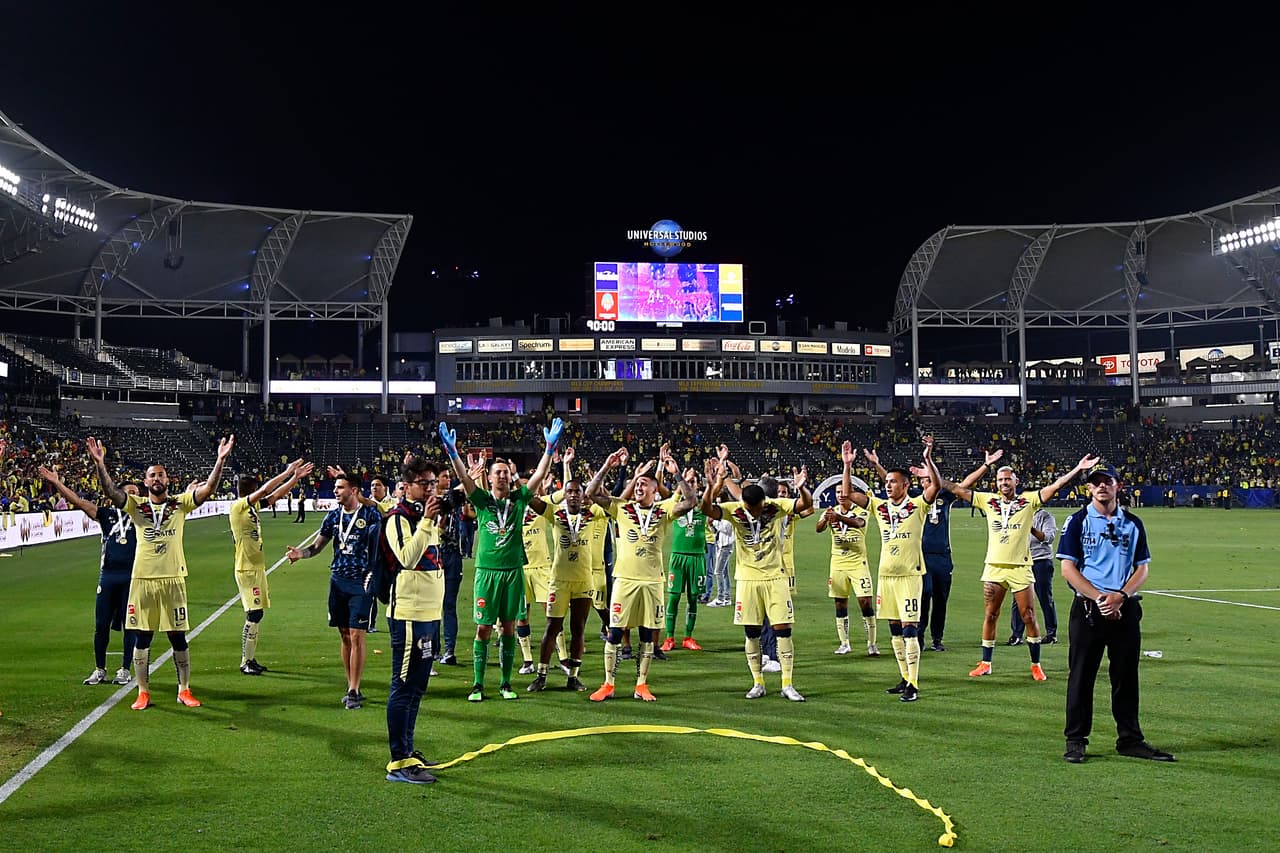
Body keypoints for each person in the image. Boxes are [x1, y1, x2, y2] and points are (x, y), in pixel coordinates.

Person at [86, 432, 235, 711]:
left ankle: (184, 689)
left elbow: (208, 490)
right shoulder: (136, 506)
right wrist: (99, 464)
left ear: (168, 480)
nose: (157, 479)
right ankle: (143, 692)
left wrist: (220, 460)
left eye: (161, 475)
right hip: (142, 580)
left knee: (177, 636)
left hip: (173, 579)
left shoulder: (180, 503)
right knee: (143, 636)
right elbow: (110, 492)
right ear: (145, 482)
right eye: (152, 475)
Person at [928, 447, 1095, 681]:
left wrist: (1078, 468)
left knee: (1029, 616)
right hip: (994, 567)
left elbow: (1056, 486)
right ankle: (986, 663)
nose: (1004, 482)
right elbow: (956, 489)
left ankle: (1036, 664)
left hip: (1020, 567)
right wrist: (931, 469)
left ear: (1016, 481)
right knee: (991, 615)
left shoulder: (1028, 501)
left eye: (1008, 479)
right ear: (995, 483)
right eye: (1000, 479)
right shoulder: (988, 501)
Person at [438, 417, 561, 702]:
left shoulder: (519, 500)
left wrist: (549, 449)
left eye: (506, 472)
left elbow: (539, 475)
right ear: (490, 478)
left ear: (510, 476)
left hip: (513, 572)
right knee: (483, 628)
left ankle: (505, 683)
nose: (503, 476)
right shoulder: (481, 501)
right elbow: (466, 481)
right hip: (487, 573)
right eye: (498, 473)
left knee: (508, 628)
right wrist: (453, 453)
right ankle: (478, 684)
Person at [1059, 464, 1174, 764]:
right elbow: (1068, 569)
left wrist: (1120, 596)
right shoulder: (1077, 521)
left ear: (1118, 486)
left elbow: (1143, 568)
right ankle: (1076, 740)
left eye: (1107, 481)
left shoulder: (1133, 523)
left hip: (1125, 608)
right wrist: (1099, 598)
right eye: (1095, 483)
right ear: (1088, 489)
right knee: (1081, 676)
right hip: (1088, 610)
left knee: (1125, 677)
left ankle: (1130, 739)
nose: (1101, 487)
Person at [586, 448, 696, 701]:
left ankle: (641, 684)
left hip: (653, 581)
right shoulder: (621, 508)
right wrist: (606, 466)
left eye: (644, 484)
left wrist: (677, 473)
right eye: (636, 483)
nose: (638, 487)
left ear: (655, 491)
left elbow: (691, 502)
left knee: (648, 634)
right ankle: (608, 684)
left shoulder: (664, 510)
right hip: (624, 580)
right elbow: (590, 494)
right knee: (614, 632)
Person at [703, 455, 813, 702]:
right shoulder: (735, 510)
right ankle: (757, 682)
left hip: (775, 577)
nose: (752, 512)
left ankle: (787, 683)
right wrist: (712, 487)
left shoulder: (776, 506)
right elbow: (706, 509)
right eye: (748, 508)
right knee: (751, 632)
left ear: (764, 502)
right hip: (747, 580)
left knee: (783, 630)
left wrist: (802, 487)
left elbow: (806, 504)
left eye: (756, 508)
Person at [844, 440, 938, 703]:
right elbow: (849, 494)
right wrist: (847, 465)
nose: (888, 484)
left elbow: (937, 487)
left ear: (906, 485)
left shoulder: (918, 506)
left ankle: (914, 684)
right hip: (886, 576)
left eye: (894, 481)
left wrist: (928, 458)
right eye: (888, 481)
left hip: (909, 575)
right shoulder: (879, 506)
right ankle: (904, 677)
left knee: (910, 630)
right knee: (895, 630)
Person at [285, 473, 383, 710]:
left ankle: (354, 689)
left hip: (362, 582)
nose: (336, 491)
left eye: (341, 487)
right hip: (337, 581)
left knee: (358, 634)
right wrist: (301, 554)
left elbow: (384, 520)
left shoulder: (371, 515)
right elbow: (317, 547)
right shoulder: (332, 517)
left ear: (354, 490)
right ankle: (350, 683)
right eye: (336, 487)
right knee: (344, 635)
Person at [38, 465, 140, 687]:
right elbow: (78, 502)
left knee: (130, 625)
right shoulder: (106, 515)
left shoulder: (143, 517)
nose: (134, 495)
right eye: (130, 492)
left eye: (137, 493)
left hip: (132, 578)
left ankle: (124, 669)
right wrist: (57, 483)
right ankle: (100, 669)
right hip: (108, 576)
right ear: (119, 495)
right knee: (101, 624)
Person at [380, 456, 444, 784]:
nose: (431, 489)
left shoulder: (423, 517)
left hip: (430, 614)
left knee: (418, 687)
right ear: (407, 486)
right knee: (403, 686)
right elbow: (407, 557)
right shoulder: (398, 518)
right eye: (424, 483)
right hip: (408, 615)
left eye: (434, 483)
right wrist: (427, 522)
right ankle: (397, 761)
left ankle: (408, 750)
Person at [528, 465, 611, 692]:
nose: (573, 494)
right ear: (564, 495)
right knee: (552, 627)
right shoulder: (555, 513)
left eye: (577, 491)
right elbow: (530, 499)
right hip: (559, 580)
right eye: (570, 491)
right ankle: (541, 674)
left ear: (583, 495)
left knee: (578, 628)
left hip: (584, 580)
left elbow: (613, 503)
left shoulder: (593, 513)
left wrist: (603, 471)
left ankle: (573, 677)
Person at [230, 459, 312, 675]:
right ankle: (245, 661)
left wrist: (294, 478)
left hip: (256, 568)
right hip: (246, 569)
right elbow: (268, 489)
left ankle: (250, 659)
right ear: (252, 490)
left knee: (258, 614)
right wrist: (287, 471)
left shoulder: (251, 507)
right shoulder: (238, 507)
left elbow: (275, 495)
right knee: (254, 614)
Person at [814, 481, 874, 656]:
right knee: (840, 603)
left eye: (843, 492)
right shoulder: (831, 511)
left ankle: (871, 643)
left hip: (858, 563)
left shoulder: (861, 510)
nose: (840, 495)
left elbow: (858, 523)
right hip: (838, 563)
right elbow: (818, 529)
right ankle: (844, 643)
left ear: (851, 493)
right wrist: (826, 518)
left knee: (865, 602)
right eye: (838, 492)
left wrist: (838, 518)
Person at [661, 465, 709, 653]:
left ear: (698, 485)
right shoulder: (675, 507)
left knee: (693, 598)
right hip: (678, 557)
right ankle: (669, 638)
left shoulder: (704, 507)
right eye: (687, 482)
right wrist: (678, 476)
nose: (690, 484)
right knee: (673, 598)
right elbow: (660, 487)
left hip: (697, 558)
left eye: (693, 482)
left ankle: (688, 637)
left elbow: (715, 491)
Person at [432, 469, 468, 666]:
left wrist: (470, 473)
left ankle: (449, 650)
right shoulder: (430, 501)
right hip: (434, 556)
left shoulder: (452, 499)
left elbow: (463, 487)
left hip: (453, 556)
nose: (448, 478)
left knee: (449, 605)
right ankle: (435, 649)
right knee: (434, 605)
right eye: (444, 476)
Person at [1008, 505, 1059, 645]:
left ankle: (1051, 633)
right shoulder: (1018, 515)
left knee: (1044, 597)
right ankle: (1017, 635)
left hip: (1041, 560)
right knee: (1018, 599)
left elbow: (1049, 538)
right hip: (1022, 561)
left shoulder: (1045, 517)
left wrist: (1030, 528)